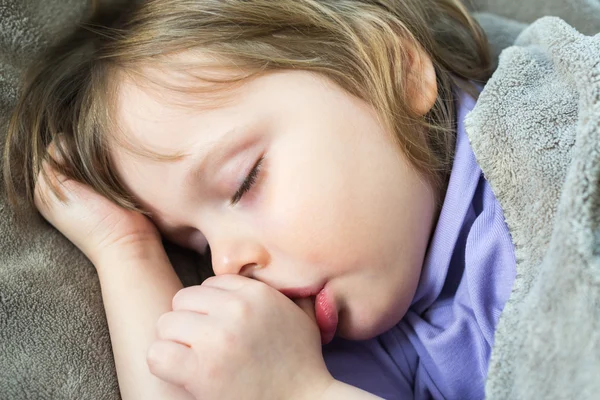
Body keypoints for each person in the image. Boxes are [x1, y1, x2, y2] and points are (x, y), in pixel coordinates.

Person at [3, 0, 517, 399]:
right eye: (197, 245)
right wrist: (125, 249)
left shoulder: (543, 162)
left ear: (399, 72)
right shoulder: (359, 342)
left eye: (243, 182)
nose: (225, 265)